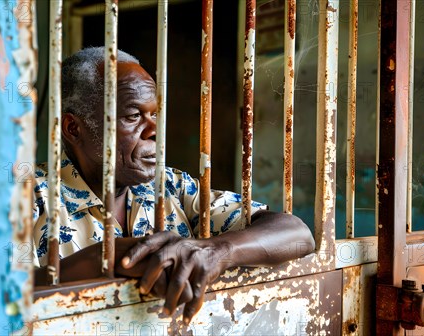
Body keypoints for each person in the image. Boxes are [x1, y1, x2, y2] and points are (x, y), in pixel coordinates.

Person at [32, 47, 315, 323]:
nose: (154, 130)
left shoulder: (170, 186)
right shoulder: (24, 196)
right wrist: (103, 258)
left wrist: (216, 251)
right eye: (133, 116)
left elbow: (297, 233)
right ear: (73, 129)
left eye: (154, 114)